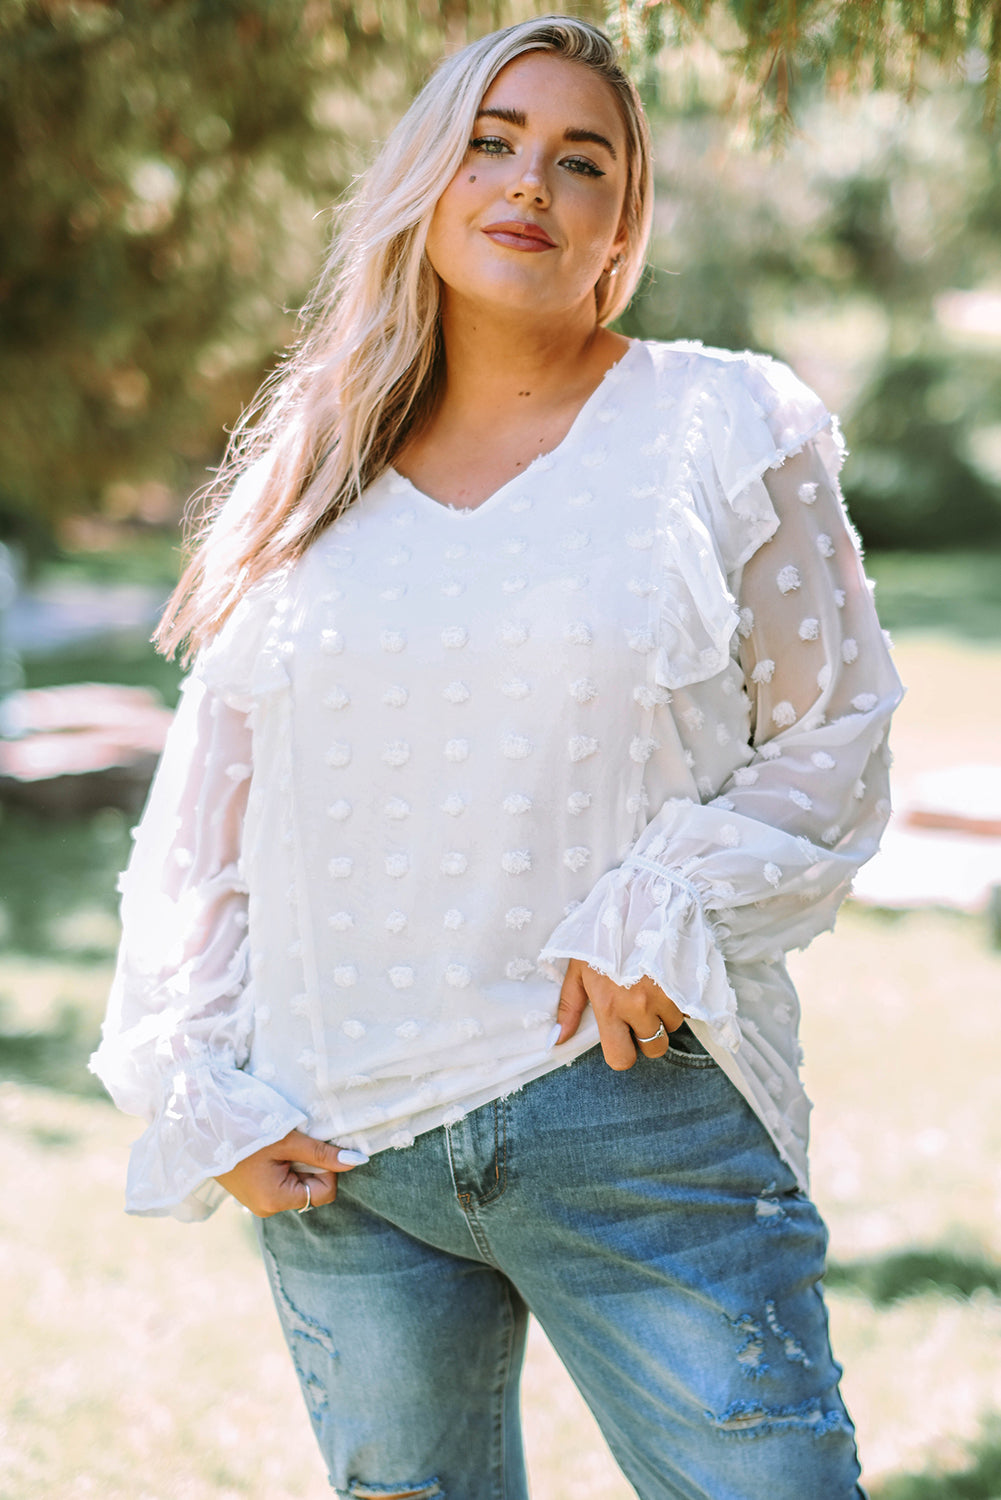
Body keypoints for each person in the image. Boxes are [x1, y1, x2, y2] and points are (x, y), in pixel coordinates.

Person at [91, 15, 903, 1499]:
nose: (528, 180)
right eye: (491, 140)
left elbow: (832, 729)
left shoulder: (718, 422)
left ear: (618, 227)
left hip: (628, 1109)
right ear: (428, 180)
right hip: (339, 1148)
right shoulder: (310, 476)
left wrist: (666, 907)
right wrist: (201, 1077)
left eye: (577, 159)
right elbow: (209, 822)